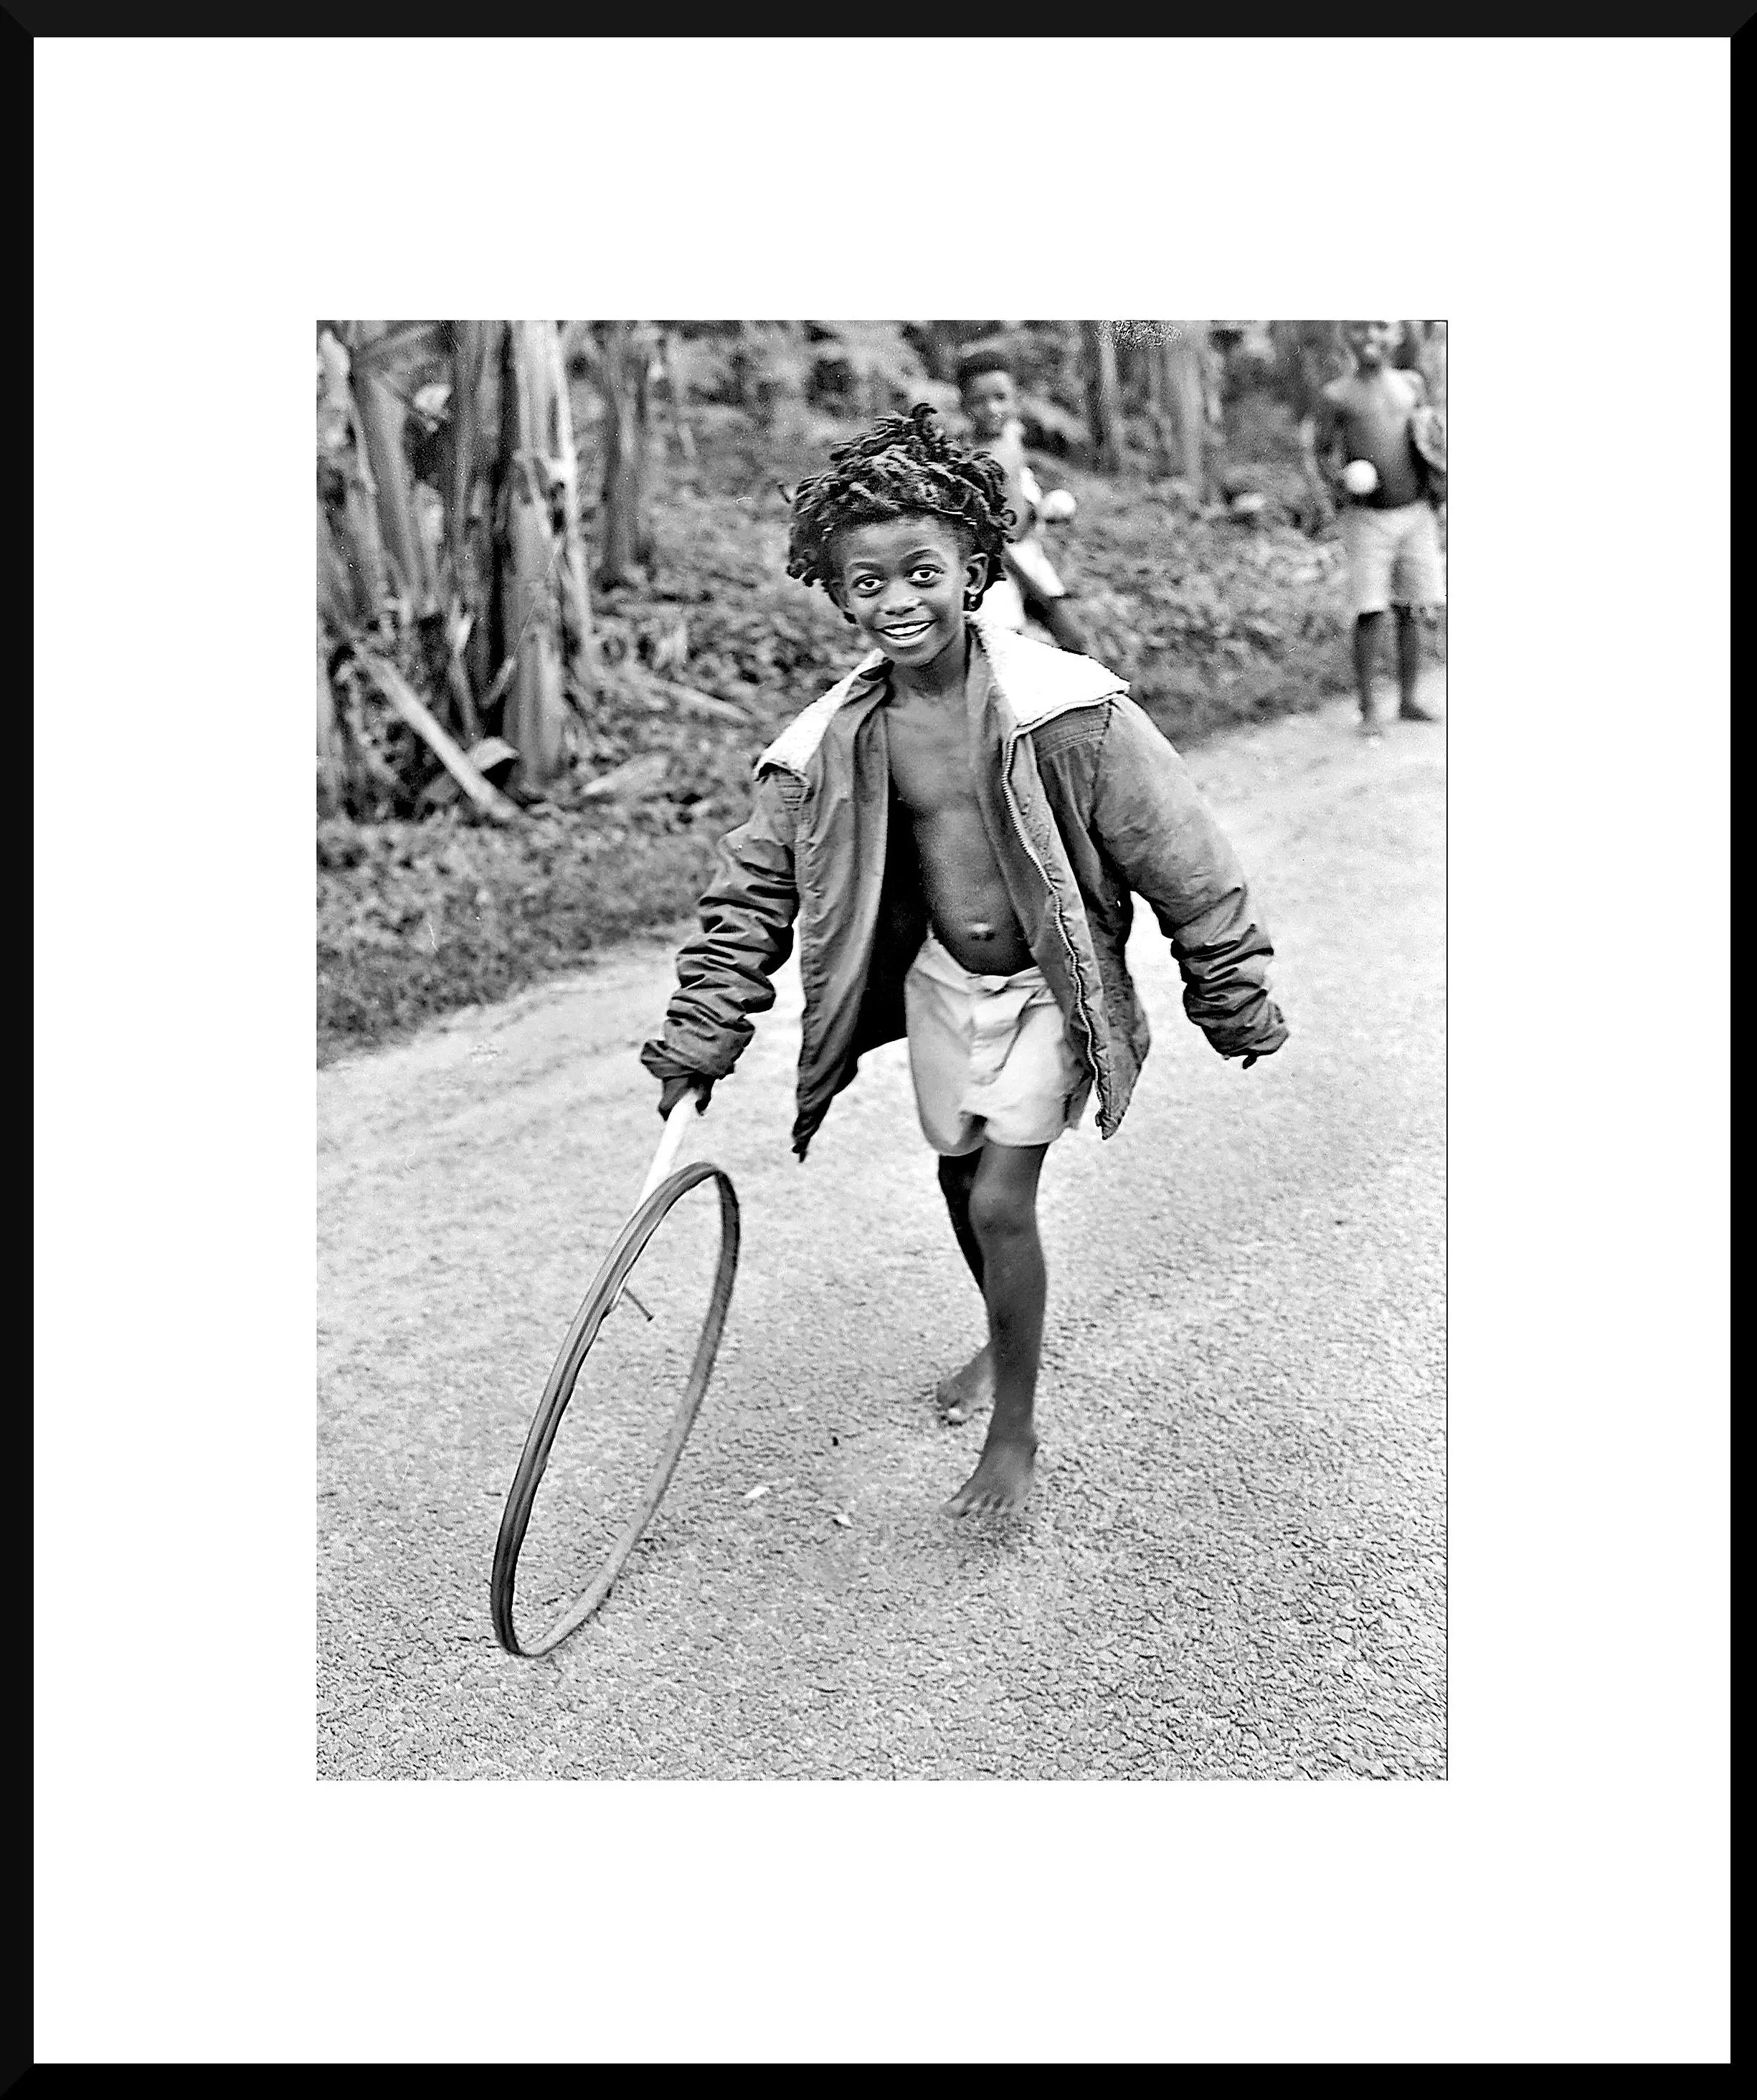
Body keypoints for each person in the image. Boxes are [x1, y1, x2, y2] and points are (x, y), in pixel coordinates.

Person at [640, 406, 1288, 1519]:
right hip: (942, 982)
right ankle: (1001, 1335)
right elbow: (749, 893)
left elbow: (1182, 851)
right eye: (865, 584)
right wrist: (704, 1028)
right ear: (836, 595)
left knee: (999, 1194)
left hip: (1047, 982)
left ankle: (1014, 1434)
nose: (896, 601)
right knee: (955, 1170)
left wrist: (1227, 985)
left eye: (921, 571)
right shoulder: (825, 747)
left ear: (975, 570)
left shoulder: (1067, 713)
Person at [1302, 320, 1446, 736]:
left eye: (1381, 327)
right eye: (1361, 328)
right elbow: (1320, 455)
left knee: (1412, 607)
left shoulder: (1411, 385)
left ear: (1398, 335)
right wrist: (1341, 480)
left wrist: (1439, 487)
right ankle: (1368, 710)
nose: (1371, 337)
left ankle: (1408, 700)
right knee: (1370, 608)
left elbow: (1430, 440)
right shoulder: (1337, 394)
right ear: (1346, 335)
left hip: (1416, 512)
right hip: (1367, 519)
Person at [955, 346, 1089, 652]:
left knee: (1076, 642)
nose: (991, 409)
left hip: (1029, 556)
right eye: (979, 401)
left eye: (1000, 398)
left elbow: (1020, 501)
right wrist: (1032, 586)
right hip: (1000, 569)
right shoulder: (971, 459)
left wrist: (1043, 509)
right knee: (1007, 650)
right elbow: (994, 533)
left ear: (1015, 399)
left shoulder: (1011, 439)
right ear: (964, 406)